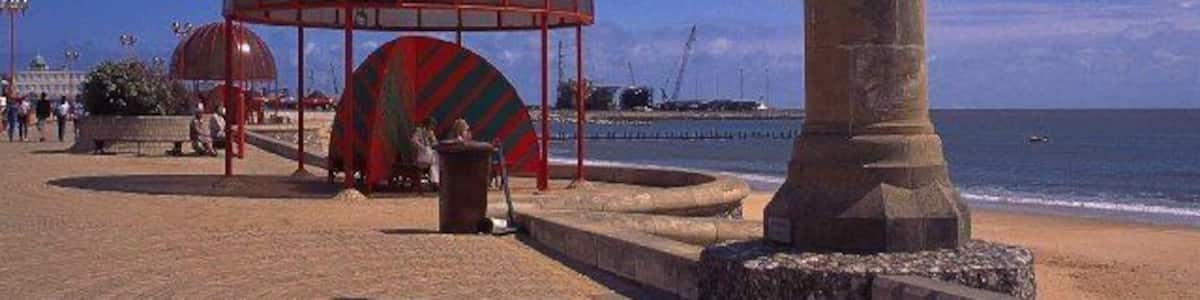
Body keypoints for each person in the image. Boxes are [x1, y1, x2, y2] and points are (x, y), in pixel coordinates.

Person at [411, 118, 440, 184]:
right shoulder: (419, 131)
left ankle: (435, 181)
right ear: (428, 125)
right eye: (432, 126)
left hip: (428, 154)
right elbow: (414, 140)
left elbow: (435, 142)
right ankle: (434, 181)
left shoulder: (430, 132)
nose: (432, 128)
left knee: (435, 161)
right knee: (433, 161)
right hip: (420, 153)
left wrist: (433, 143)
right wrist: (422, 147)